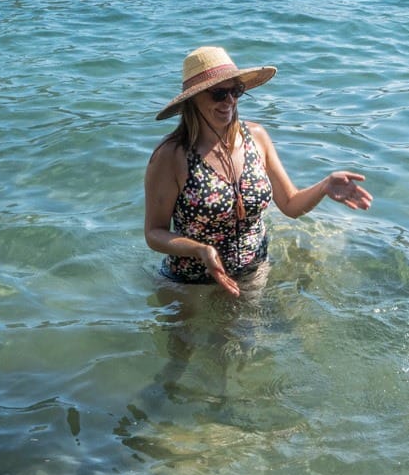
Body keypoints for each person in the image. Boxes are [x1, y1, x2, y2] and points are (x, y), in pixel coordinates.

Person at [144, 46, 372, 295]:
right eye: (219, 94)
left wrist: (324, 186)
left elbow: (290, 204)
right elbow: (154, 233)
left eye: (236, 91)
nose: (230, 101)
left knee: (250, 334)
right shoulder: (171, 155)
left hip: (252, 273)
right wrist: (199, 249)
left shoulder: (257, 137)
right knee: (185, 336)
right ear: (193, 99)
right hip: (189, 283)